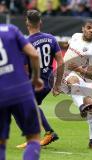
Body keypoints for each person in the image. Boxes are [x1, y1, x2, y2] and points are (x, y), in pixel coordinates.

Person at [16, 10, 64, 149]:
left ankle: (47, 133)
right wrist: (58, 84)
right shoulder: (51, 38)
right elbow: (60, 62)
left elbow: (24, 68)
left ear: (27, 23)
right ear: (40, 22)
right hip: (48, 82)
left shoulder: (26, 43)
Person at [0, 23, 43, 160]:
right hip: (21, 90)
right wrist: (35, 78)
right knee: (34, 139)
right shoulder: (11, 29)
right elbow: (34, 55)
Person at [59, 19, 92, 151]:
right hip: (65, 74)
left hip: (79, 76)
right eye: (88, 27)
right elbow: (67, 45)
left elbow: (91, 75)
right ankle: (82, 106)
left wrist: (78, 69)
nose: (91, 30)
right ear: (83, 28)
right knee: (72, 80)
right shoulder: (75, 37)